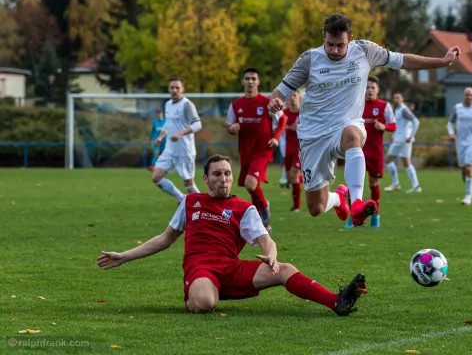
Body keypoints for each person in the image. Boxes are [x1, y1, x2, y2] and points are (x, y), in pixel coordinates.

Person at [97, 155, 368, 317]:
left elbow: (267, 241)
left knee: (284, 270)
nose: (224, 179)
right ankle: (199, 292)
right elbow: (165, 238)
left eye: (227, 174)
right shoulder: (191, 202)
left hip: (231, 268)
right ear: (205, 178)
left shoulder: (243, 208)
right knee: (204, 305)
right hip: (200, 267)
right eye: (217, 174)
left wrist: (272, 257)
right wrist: (124, 256)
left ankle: (336, 301)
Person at [267, 13, 461, 227]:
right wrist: (275, 101)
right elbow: (281, 90)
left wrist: (442, 62)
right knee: (316, 208)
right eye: (329, 44)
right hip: (313, 136)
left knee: (352, 135)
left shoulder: (365, 51)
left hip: (346, 126)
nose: (334, 50)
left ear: (351, 38)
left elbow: (403, 60)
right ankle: (339, 198)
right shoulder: (309, 59)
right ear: (323, 36)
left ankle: (357, 201)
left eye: (340, 45)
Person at [227, 68, 287, 232]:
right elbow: (229, 126)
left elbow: (282, 119)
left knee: (250, 183)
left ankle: (264, 207)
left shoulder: (266, 102)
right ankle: (262, 222)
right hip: (246, 150)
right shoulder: (236, 105)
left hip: (263, 150)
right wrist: (232, 128)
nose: (250, 81)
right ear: (243, 81)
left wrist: (276, 137)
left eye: (253, 78)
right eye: (247, 78)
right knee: (250, 187)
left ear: (258, 82)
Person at [345, 76, 395, 228]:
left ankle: (375, 216)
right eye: (367, 87)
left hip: (375, 152)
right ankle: (352, 217)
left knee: (373, 183)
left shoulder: (384, 106)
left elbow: (393, 125)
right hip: (357, 151)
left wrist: (384, 127)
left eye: (373, 87)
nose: (370, 90)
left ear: (378, 90)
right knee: (352, 184)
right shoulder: (357, 105)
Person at [152, 78, 202, 203]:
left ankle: (206, 206)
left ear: (182, 90)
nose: (174, 90)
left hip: (185, 150)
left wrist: (181, 133)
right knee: (156, 177)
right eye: (172, 87)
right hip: (170, 150)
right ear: (168, 89)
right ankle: (181, 198)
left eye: (177, 88)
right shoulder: (168, 104)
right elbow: (168, 124)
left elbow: (198, 124)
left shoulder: (187, 104)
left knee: (189, 185)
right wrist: (160, 137)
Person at [384, 92, 422, 193]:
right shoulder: (398, 110)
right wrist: (394, 136)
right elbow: (400, 126)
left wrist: (411, 136)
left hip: (402, 140)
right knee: (406, 162)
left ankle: (395, 183)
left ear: (402, 99)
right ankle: (416, 185)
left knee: (387, 160)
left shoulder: (404, 109)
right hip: (401, 139)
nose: (396, 99)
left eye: (398, 98)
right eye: (394, 98)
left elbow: (416, 121)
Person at [283, 91, 303, 212]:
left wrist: (300, 128)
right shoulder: (284, 114)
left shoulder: (304, 113)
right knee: (291, 178)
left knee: (293, 175)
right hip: (288, 149)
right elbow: (277, 126)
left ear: (299, 97)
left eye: (294, 95)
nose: (291, 98)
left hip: (300, 149)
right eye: (289, 95)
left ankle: (297, 207)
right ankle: (305, 179)